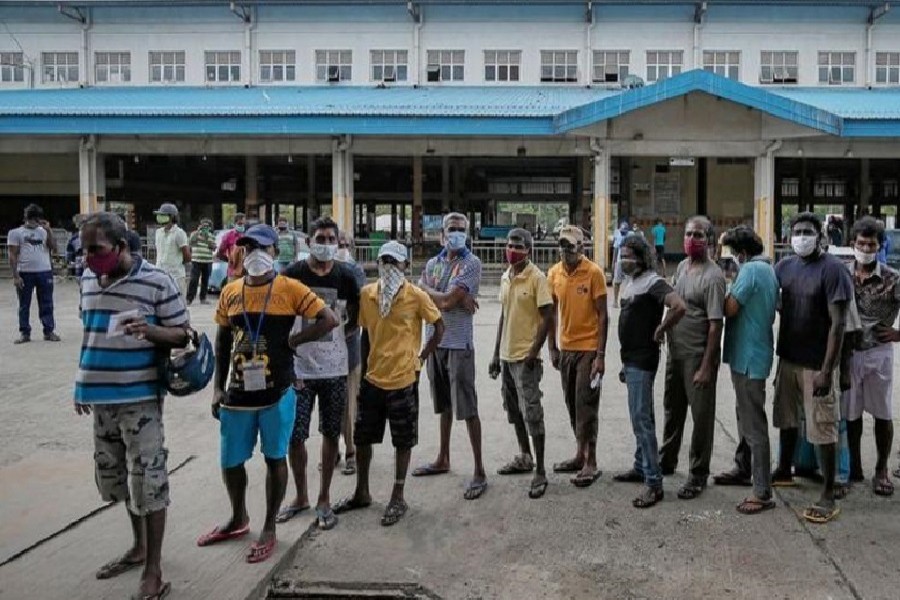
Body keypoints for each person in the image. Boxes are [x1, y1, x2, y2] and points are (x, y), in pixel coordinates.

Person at [200, 224, 338, 563]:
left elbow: (329, 318)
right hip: (237, 393)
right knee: (231, 460)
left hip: (278, 391)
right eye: (248, 248)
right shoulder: (231, 291)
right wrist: (218, 387)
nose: (255, 255)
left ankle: (269, 527)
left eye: (262, 248)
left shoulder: (290, 288)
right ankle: (238, 517)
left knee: (275, 457)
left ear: (275, 251)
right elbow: (221, 340)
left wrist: (294, 342)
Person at [75, 212, 190, 600]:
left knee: (150, 480)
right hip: (100, 399)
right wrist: (82, 383)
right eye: (85, 249)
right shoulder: (88, 278)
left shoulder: (157, 282)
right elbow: (90, 333)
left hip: (139, 399)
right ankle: (138, 546)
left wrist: (151, 330)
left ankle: (153, 570)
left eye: (97, 249)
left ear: (122, 246)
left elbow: (184, 334)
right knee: (119, 480)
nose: (90, 257)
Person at [332, 241, 444, 527]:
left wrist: (421, 358)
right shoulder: (368, 294)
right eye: (384, 261)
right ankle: (362, 491)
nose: (389, 267)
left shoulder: (416, 296)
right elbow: (366, 332)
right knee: (362, 437)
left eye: (394, 262)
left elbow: (438, 326)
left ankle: (398, 494)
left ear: (404, 265)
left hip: (403, 379)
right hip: (373, 379)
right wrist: (368, 362)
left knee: (402, 439)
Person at [277, 217, 361, 529]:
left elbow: (356, 314)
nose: (325, 244)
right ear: (309, 240)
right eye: (320, 238)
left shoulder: (346, 276)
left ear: (338, 242)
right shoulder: (292, 274)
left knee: (329, 432)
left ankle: (324, 498)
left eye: (331, 239)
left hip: (334, 369)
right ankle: (301, 496)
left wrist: (343, 341)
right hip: (298, 369)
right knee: (295, 435)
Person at [771, 212, 851, 524]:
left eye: (808, 231)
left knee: (822, 428)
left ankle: (828, 492)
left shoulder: (833, 270)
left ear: (820, 236)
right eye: (797, 231)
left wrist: (827, 370)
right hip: (788, 359)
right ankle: (783, 469)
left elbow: (839, 324)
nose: (801, 236)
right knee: (786, 419)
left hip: (817, 364)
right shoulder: (784, 266)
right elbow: (772, 299)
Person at [414, 213, 487, 500]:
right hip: (435, 342)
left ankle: (479, 470)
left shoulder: (472, 263)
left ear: (467, 233)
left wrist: (426, 290)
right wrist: (443, 295)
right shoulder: (433, 263)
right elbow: (437, 298)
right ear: (442, 234)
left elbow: (443, 301)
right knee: (442, 405)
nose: (456, 234)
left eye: (461, 229)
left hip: (458, 344)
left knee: (467, 408)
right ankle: (443, 457)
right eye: (451, 229)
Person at [612, 235, 686, 508]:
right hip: (631, 358)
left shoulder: (653, 282)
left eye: (629, 255)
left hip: (643, 359)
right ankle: (640, 466)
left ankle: (653, 482)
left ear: (642, 257)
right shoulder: (632, 283)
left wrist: (662, 329)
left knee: (641, 420)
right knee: (643, 416)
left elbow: (679, 306)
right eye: (622, 255)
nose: (624, 260)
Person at [659, 216, 726, 500]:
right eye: (688, 233)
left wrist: (706, 367)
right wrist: (664, 327)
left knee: (700, 418)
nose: (691, 239)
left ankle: (698, 474)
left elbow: (715, 325)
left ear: (709, 240)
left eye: (698, 235)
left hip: (698, 356)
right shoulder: (683, 268)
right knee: (672, 411)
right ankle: (667, 459)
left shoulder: (713, 277)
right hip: (676, 354)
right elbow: (675, 305)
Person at [714, 226, 780, 514]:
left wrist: (723, 285)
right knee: (744, 417)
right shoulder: (767, 269)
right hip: (750, 353)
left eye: (731, 256)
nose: (730, 262)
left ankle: (762, 491)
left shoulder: (751, 271)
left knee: (754, 425)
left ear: (741, 253)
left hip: (750, 356)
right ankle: (743, 468)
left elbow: (729, 308)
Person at [489, 228, 555, 499]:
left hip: (526, 359)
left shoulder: (537, 278)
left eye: (517, 245)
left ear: (529, 249)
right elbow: (504, 316)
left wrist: (533, 352)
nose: (511, 249)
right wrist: (495, 353)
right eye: (509, 244)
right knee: (513, 410)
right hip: (506, 356)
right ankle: (524, 456)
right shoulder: (506, 276)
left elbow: (548, 318)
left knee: (532, 412)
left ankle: (540, 470)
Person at [547, 225, 608, 487]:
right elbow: (550, 313)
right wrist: (552, 346)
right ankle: (579, 454)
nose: (565, 251)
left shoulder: (593, 273)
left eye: (570, 246)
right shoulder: (554, 273)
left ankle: (591, 461)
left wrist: (601, 355)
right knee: (572, 404)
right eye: (562, 246)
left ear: (581, 248)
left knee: (586, 405)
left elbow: (604, 315)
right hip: (566, 348)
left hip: (589, 349)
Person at [843, 217, 900, 495]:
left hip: (879, 354)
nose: (866, 247)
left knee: (882, 414)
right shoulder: (842, 273)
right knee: (850, 414)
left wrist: (899, 334)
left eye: (871, 244)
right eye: (861, 243)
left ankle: (881, 470)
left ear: (879, 246)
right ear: (852, 243)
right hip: (850, 353)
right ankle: (854, 466)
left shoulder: (892, 278)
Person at [335, 232, 367, 476]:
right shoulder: (320, 274)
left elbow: (358, 314)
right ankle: (332, 448)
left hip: (348, 344)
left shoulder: (356, 273)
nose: (342, 249)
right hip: (322, 350)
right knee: (329, 402)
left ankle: (351, 452)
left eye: (347, 245)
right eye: (339, 244)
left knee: (349, 402)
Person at [8, 203, 60, 343]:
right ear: (26, 218)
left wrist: (49, 231)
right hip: (25, 272)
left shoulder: (43, 231)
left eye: (37, 219)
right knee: (24, 304)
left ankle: (49, 331)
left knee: (47, 302)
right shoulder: (15, 233)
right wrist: (15, 276)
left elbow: (54, 248)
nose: (34, 222)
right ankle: (25, 332)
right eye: (32, 219)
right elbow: (12, 255)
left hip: (44, 271)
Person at [153, 203, 191, 296]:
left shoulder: (179, 233)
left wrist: (176, 263)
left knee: (179, 305)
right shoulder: (158, 232)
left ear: (171, 217)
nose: (160, 217)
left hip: (176, 276)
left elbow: (187, 256)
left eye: (163, 215)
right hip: (160, 274)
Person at [187, 218, 217, 305]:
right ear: (200, 225)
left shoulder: (211, 236)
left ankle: (203, 298)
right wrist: (198, 231)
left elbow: (214, 248)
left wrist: (210, 243)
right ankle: (189, 299)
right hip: (196, 260)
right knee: (194, 280)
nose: (205, 228)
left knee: (205, 280)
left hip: (207, 261)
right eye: (204, 226)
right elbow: (191, 242)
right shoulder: (194, 234)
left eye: (207, 226)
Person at [216, 212, 247, 282]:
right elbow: (220, 253)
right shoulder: (228, 235)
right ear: (235, 223)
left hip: (246, 273)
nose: (242, 225)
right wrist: (230, 260)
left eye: (243, 224)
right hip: (233, 273)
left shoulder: (247, 235)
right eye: (240, 224)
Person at [612, 221, 630, 308]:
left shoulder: (631, 236)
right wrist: (613, 262)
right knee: (617, 281)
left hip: (628, 261)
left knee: (629, 282)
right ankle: (615, 301)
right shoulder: (618, 235)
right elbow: (615, 250)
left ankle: (627, 300)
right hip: (619, 261)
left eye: (624, 231)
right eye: (622, 231)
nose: (623, 233)